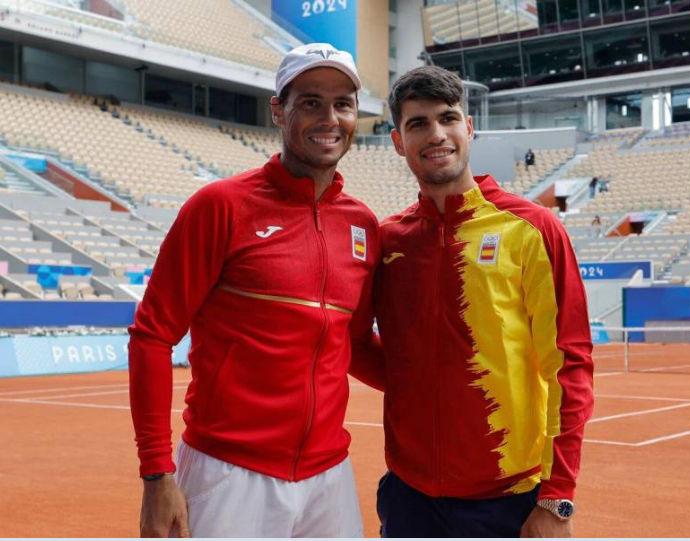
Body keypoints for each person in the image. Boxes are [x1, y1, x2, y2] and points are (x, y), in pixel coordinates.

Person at [128, 43, 380, 538]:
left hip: (329, 477)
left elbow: (352, 345)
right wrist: (157, 472)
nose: (329, 117)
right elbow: (152, 335)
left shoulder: (364, 225)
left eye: (342, 104)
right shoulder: (219, 206)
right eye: (310, 102)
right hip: (228, 473)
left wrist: (444, 384)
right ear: (277, 110)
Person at [350, 66, 594, 537]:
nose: (436, 134)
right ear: (398, 141)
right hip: (408, 497)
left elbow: (570, 365)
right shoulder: (388, 240)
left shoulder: (531, 228)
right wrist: (416, 385)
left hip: (509, 501)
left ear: (470, 128)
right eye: (418, 123)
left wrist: (557, 497)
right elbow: (356, 343)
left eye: (448, 118)